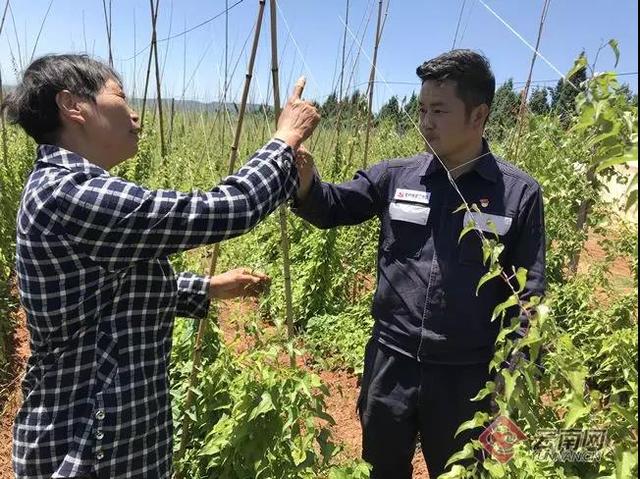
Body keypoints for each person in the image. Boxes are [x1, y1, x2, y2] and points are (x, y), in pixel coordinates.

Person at [3, 53, 319, 479]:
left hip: (114, 439)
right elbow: (222, 210)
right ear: (73, 106)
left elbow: (109, 297)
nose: (134, 114)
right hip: (87, 449)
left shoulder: (66, 188)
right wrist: (284, 138)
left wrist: (206, 287)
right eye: (120, 96)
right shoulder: (72, 194)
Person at [292, 49, 545, 478]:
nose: (426, 121)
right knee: (382, 468)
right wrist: (305, 183)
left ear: (478, 114)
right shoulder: (397, 176)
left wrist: (514, 380)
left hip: (467, 377)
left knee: (464, 471)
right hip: (391, 365)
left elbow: (529, 295)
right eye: (422, 109)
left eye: (440, 110)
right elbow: (333, 206)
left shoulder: (518, 195)